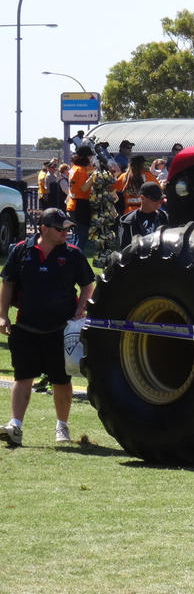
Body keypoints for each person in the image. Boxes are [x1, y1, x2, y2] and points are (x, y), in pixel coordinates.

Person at [0, 208, 95, 447]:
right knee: (23, 377)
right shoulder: (21, 250)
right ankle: (15, 426)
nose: (65, 232)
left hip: (60, 329)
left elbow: (87, 285)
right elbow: (8, 283)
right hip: (26, 326)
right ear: (44, 228)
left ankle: (61, 426)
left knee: (61, 380)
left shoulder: (73, 254)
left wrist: (80, 309)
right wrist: (2, 315)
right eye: (60, 228)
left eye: (67, 228)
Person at [89, 157, 121, 268]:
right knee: (106, 237)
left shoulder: (94, 176)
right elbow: (114, 195)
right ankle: (106, 261)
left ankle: (101, 262)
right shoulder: (106, 177)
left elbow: (85, 189)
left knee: (100, 238)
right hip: (105, 211)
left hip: (98, 211)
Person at [118, 182, 169, 248]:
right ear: (142, 198)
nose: (159, 203)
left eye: (161, 199)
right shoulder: (129, 222)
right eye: (155, 199)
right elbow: (125, 249)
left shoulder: (163, 216)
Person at [65, 145, 96, 249]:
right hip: (80, 205)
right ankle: (76, 257)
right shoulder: (81, 170)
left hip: (73, 204)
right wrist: (93, 176)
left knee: (77, 235)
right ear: (86, 157)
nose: (91, 159)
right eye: (90, 156)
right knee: (82, 236)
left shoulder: (74, 168)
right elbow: (84, 188)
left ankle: (70, 256)